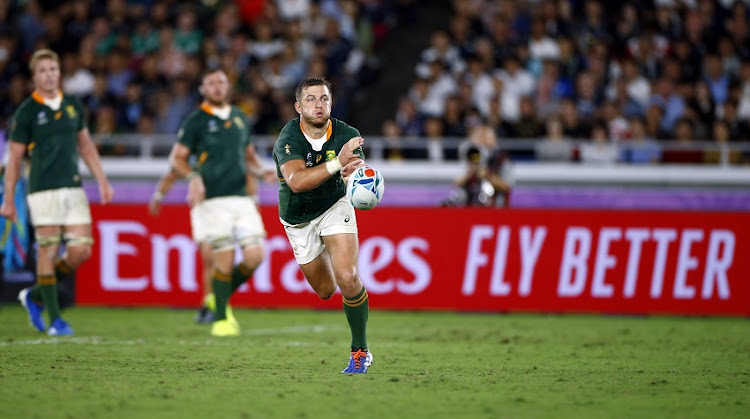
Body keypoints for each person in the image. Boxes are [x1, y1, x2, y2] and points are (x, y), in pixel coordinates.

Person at [1, 49, 114, 336]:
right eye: (43, 70)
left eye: (53, 68)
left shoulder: (73, 105)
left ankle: (35, 295)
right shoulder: (27, 112)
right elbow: (14, 159)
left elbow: (86, 145)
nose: (49, 74)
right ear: (34, 77)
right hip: (43, 190)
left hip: (73, 187)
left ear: (60, 73)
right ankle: (54, 319)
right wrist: (8, 198)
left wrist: (102, 179)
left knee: (81, 251)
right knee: (48, 250)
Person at [273, 77, 372, 374]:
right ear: (298, 106)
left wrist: (354, 178)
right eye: (311, 99)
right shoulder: (288, 138)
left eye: (324, 99)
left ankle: (360, 351)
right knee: (326, 290)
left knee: (348, 276)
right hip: (297, 217)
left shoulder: (347, 134)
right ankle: (327, 250)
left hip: (334, 205)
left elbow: (353, 174)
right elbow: (297, 182)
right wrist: (334, 165)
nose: (319, 104)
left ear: (332, 102)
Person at [168, 68, 268, 337]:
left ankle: (217, 297)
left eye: (221, 82)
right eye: (210, 82)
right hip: (212, 199)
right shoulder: (196, 120)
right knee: (222, 257)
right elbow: (177, 158)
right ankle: (221, 320)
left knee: (256, 255)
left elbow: (249, 156)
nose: (216, 87)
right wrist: (192, 176)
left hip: (241, 197)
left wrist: (263, 171)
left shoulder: (239, 117)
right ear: (203, 88)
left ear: (228, 86)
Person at [148, 168, 216, 324]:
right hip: (203, 209)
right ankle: (209, 304)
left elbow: (246, 170)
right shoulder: (194, 154)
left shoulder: (228, 150)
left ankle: (213, 303)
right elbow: (173, 172)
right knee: (209, 258)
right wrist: (158, 197)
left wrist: (252, 200)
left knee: (219, 260)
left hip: (228, 208)